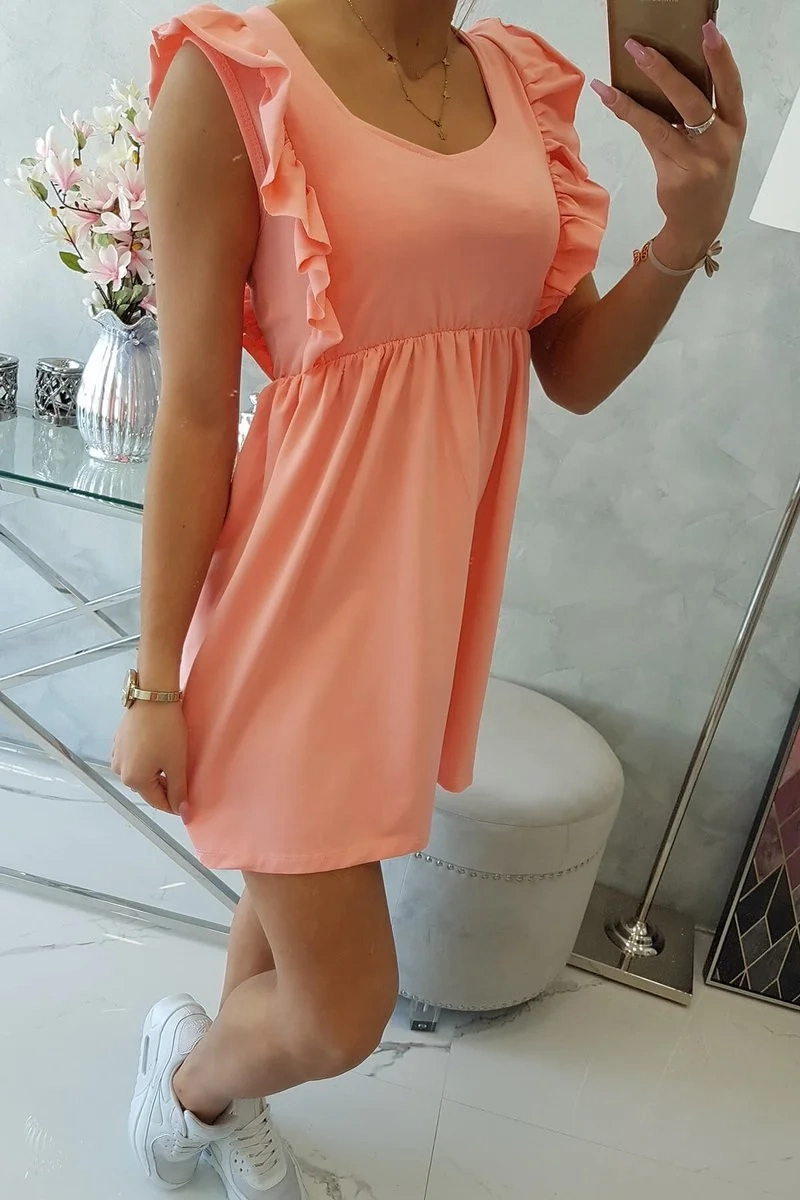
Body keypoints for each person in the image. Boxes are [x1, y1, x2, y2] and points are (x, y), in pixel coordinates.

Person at [112, 1, 745, 1195]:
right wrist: (154, 678)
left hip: (412, 617)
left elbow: (569, 370)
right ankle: (187, 1080)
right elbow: (192, 412)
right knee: (342, 1010)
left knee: (293, 908)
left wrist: (685, 229)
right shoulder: (231, 77)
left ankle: (230, 1103)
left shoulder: (512, 79)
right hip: (285, 614)